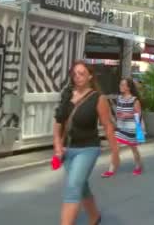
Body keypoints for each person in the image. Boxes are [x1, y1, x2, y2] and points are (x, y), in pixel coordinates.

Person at [53, 61, 119, 225]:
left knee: (73, 187)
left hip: (88, 148)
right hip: (68, 149)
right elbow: (58, 123)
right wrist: (58, 147)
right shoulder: (67, 95)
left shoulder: (98, 98)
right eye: (75, 74)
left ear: (90, 76)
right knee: (81, 187)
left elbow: (108, 126)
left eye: (82, 73)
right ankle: (94, 216)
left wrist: (115, 154)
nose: (77, 77)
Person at [101, 78, 143, 177]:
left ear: (128, 87)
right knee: (115, 148)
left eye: (123, 85)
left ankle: (138, 166)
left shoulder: (134, 100)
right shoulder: (119, 98)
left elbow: (138, 113)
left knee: (134, 148)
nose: (121, 87)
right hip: (120, 127)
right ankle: (111, 169)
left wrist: (126, 115)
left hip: (131, 128)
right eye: (120, 85)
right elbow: (118, 110)